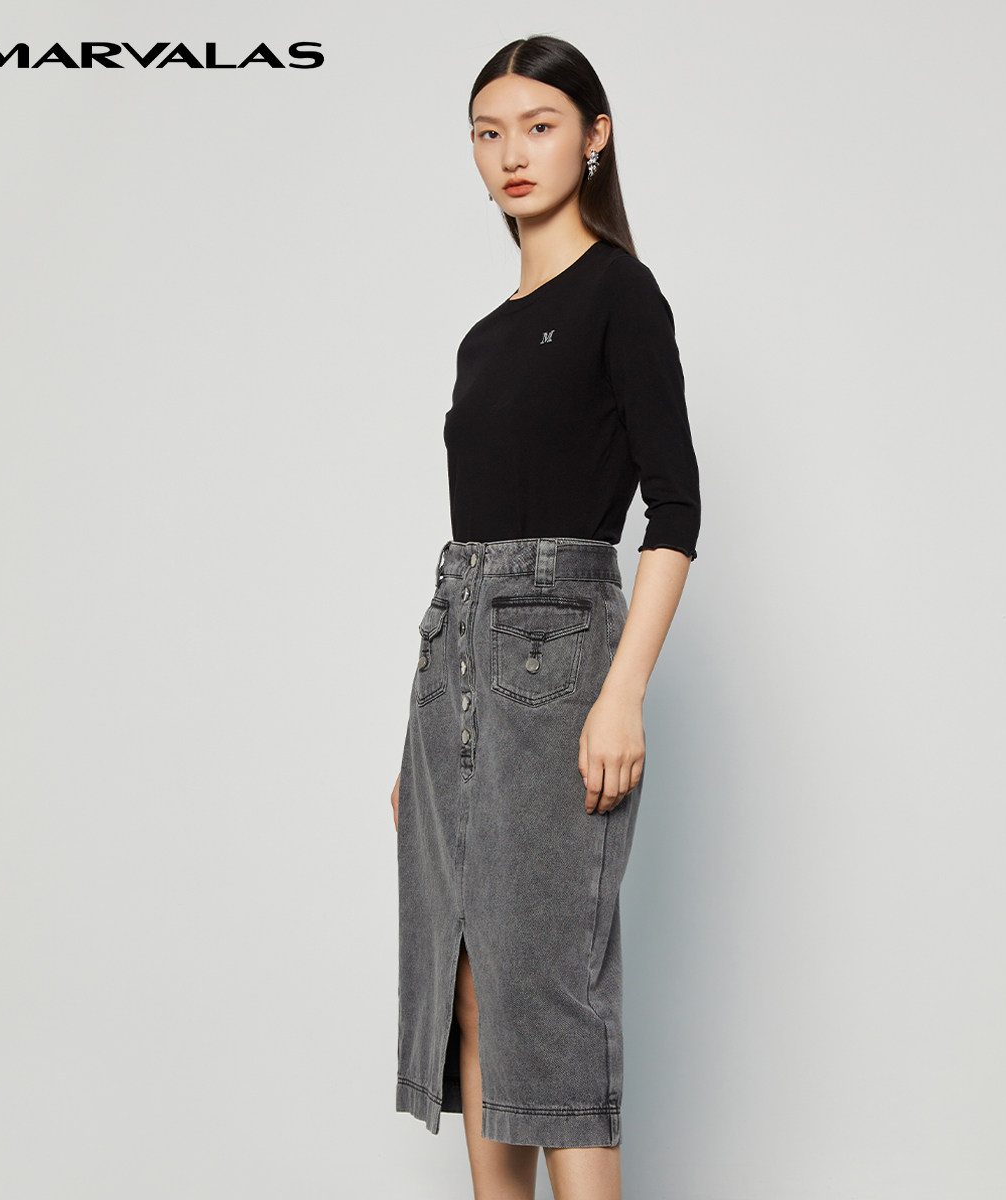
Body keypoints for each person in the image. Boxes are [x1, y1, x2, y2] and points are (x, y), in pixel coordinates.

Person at [390, 34, 701, 1200]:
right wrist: (421, 744)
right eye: (489, 132)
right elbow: (469, 552)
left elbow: (676, 508)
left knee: (550, 993)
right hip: (453, 665)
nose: (511, 153)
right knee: (469, 984)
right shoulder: (483, 339)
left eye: (539, 125)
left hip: (559, 660)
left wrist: (622, 691)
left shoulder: (621, 293)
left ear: (594, 137)